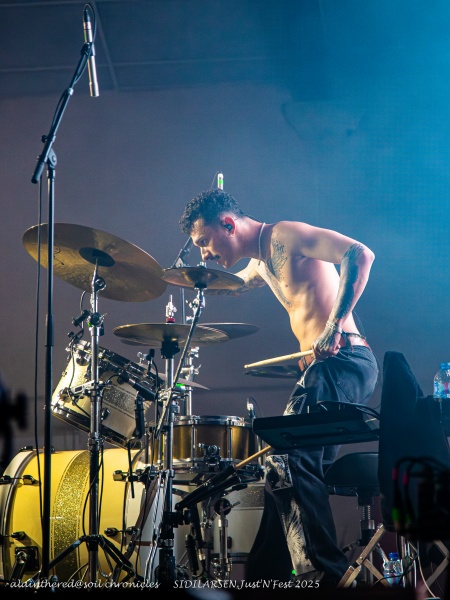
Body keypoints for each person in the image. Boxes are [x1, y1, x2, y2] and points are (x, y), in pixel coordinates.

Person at [178, 188, 379, 587]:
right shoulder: (261, 262)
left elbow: (360, 253)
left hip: (344, 360)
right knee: (280, 469)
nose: (204, 252)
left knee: (287, 458)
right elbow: (230, 284)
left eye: (203, 242)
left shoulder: (284, 236)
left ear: (228, 224)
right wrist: (178, 278)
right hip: (325, 370)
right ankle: (279, 576)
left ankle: (329, 577)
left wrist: (333, 327)